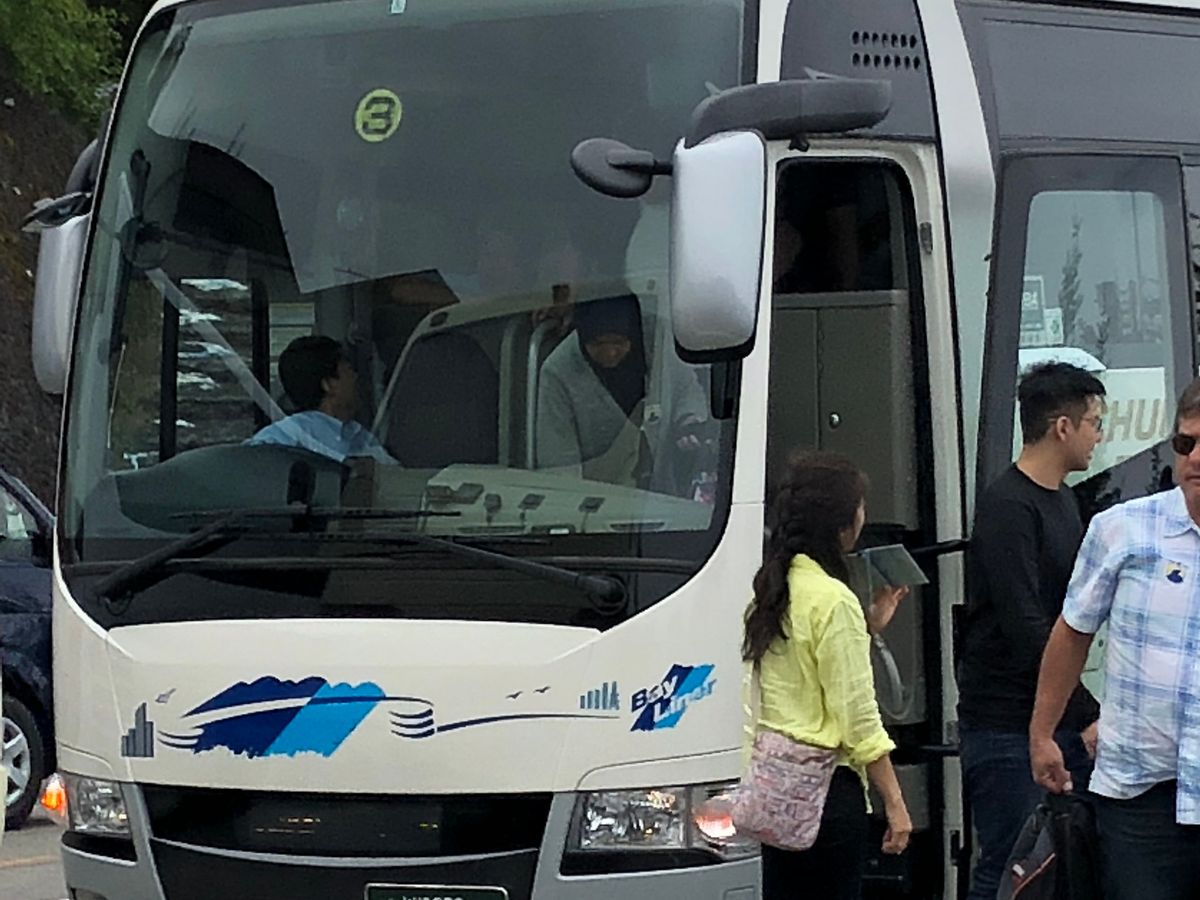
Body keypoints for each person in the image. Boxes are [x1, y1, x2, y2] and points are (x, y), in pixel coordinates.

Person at [1031, 377, 1200, 900]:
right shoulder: (1122, 529)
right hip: (1139, 795)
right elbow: (1071, 632)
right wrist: (1042, 733)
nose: (1194, 458)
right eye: (1186, 442)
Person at [957, 361, 1105, 900]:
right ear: (1062, 427)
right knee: (1009, 862)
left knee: (1066, 862)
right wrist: (1084, 711)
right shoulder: (1007, 506)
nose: (1099, 436)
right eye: (1094, 423)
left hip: (1055, 718)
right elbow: (1026, 624)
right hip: (1006, 724)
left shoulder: (1064, 500)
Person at [743, 451, 912, 900]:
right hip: (827, 794)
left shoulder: (773, 589)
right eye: (860, 506)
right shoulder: (834, 600)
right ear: (842, 524)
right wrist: (895, 802)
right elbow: (858, 720)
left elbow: (801, 671)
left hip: (776, 789)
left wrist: (867, 626)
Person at [535, 290, 708, 493]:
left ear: (633, 334)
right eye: (598, 344)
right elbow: (559, 460)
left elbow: (685, 387)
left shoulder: (657, 342)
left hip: (662, 490)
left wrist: (689, 421)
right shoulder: (557, 372)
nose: (610, 352)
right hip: (599, 496)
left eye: (618, 342)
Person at [247, 335, 394, 464]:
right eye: (349, 370)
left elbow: (396, 477)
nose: (356, 377)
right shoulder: (278, 440)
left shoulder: (360, 438)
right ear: (329, 385)